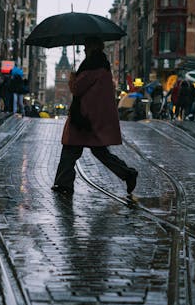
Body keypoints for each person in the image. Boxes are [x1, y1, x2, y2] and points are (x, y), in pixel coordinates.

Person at [51, 37, 138, 195]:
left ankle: (63, 183)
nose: (84, 49)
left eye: (86, 46)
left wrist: (73, 77)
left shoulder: (91, 66)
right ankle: (127, 173)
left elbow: (77, 88)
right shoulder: (103, 65)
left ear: (92, 47)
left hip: (84, 118)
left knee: (70, 149)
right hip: (94, 118)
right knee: (101, 153)